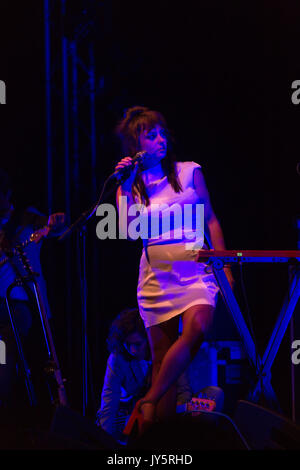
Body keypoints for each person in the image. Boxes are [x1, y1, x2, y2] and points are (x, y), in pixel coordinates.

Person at [114, 106, 233, 434]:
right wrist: (123, 187)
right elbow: (128, 230)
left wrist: (224, 266)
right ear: (134, 145)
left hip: (194, 271)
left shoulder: (189, 171)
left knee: (199, 325)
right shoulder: (132, 187)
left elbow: (211, 220)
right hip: (156, 278)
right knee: (162, 358)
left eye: (162, 132)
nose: (161, 139)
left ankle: (146, 400)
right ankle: (157, 438)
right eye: (151, 135)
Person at [0, 168, 65, 415]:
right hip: (5, 308)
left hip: (22, 306)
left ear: (7, 194)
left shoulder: (26, 218)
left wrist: (55, 223)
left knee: (24, 364)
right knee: (7, 362)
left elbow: (53, 227)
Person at [95, 308, 192, 442]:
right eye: (127, 344)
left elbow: (184, 393)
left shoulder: (168, 353)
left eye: (137, 344)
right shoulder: (117, 358)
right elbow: (108, 403)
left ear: (148, 339)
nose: (132, 350)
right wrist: (103, 442)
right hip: (132, 423)